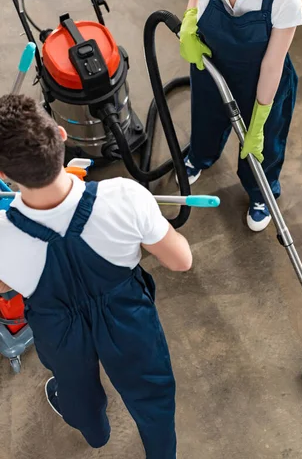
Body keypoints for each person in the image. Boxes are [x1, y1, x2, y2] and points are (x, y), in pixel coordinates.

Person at [0, 94, 192, 458]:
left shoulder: (2, 236)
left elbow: (5, 285)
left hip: (58, 328)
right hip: (126, 314)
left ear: (4, 176)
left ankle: (96, 433)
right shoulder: (124, 196)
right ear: (60, 136)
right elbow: (181, 260)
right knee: (151, 392)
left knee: (75, 390)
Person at [179, 0, 302, 232]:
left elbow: (273, 64)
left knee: (261, 147)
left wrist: (260, 117)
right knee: (205, 116)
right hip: (212, 66)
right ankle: (200, 157)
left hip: (261, 80)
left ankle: (261, 192)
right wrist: (189, 22)